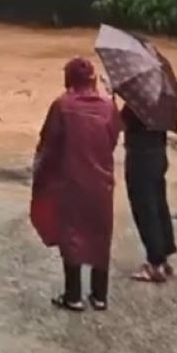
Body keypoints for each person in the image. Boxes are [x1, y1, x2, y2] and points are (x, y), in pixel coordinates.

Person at [31, 58, 121, 311]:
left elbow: (48, 143)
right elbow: (113, 139)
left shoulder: (62, 105)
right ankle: (100, 296)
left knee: (72, 235)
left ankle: (73, 296)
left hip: (70, 181)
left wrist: (39, 172)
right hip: (102, 184)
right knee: (101, 235)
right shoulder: (108, 107)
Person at [125, 102, 177, 283]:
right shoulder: (161, 101)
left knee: (145, 209)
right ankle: (164, 254)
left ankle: (155, 263)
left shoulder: (137, 104)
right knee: (159, 203)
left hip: (140, 157)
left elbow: (120, 123)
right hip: (158, 154)